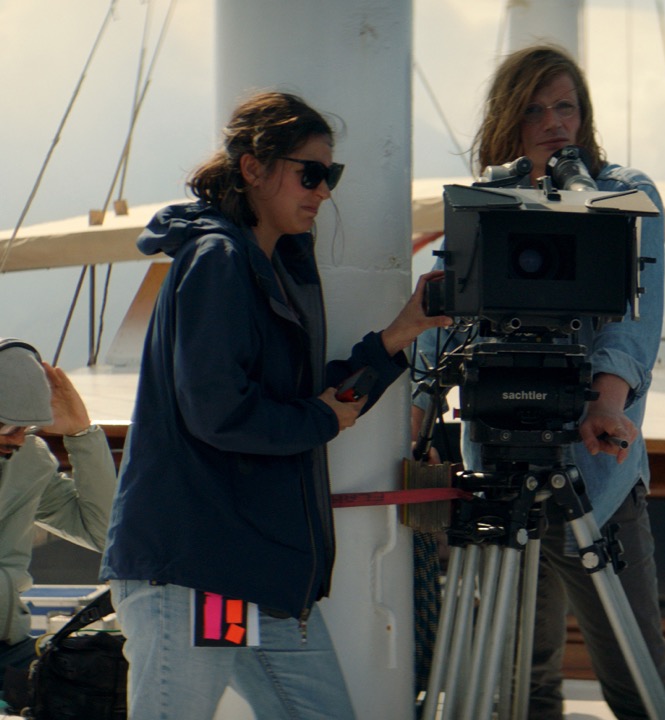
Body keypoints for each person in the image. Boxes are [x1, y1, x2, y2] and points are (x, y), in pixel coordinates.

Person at [99, 91, 450, 720]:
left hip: (242, 579)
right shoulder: (218, 261)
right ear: (253, 168)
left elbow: (307, 403)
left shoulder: (266, 266)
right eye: (309, 173)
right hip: (197, 573)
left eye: (331, 175)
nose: (324, 191)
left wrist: (400, 334)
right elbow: (220, 412)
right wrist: (320, 417)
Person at [411, 45, 665, 720]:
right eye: (534, 109)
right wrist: (417, 406)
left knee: (636, 681)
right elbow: (445, 316)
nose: (554, 122)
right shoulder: (483, 202)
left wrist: (604, 404)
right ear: (508, 118)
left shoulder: (623, 193)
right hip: (498, 467)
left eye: (566, 107)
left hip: (597, 474)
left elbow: (633, 323)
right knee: (521, 692)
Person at [0, 340, 116, 687]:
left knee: (99, 687)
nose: (19, 440)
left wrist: (81, 434)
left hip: (10, 647)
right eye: (9, 427)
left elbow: (106, 534)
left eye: (28, 428)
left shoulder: (29, 461)